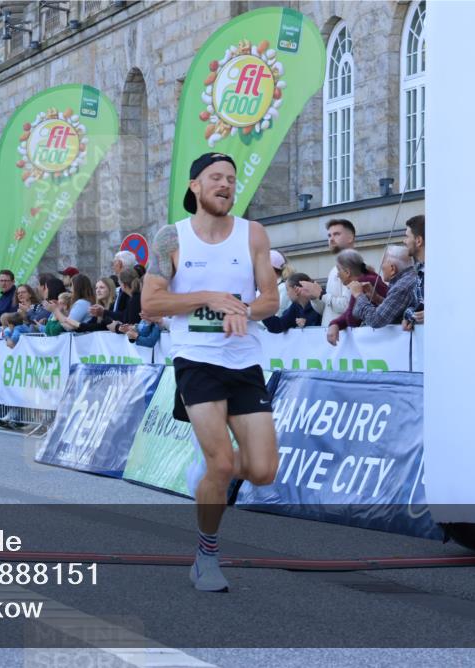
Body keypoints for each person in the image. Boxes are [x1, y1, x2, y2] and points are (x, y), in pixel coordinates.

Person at [142, 152, 280, 592]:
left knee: (262, 471)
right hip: (196, 359)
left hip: (243, 360)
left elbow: (271, 300)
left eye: (231, 179)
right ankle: (206, 556)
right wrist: (209, 297)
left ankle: (209, 478)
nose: (225, 185)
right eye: (215, 178)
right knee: (221, 460)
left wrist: (242, 309)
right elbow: (151, 304)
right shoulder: (171, 239)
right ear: (195, 186)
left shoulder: (252, 234)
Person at [326, 249, 388, 346]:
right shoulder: (367, 278)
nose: (337, 275)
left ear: (347, 272)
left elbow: (352, 320)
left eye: (339, 270)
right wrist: (335, 323)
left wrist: (336, 324)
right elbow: (351, 312)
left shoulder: (364, 281)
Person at [301, 219, 357, 326]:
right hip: (330, 334)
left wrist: (321, 295)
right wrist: (314, 297)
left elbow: (347, 306)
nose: (331, 239)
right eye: (329, 235)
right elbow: (326, 310)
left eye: (336, 234)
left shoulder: (354, 266)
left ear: (350, 238)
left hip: (344, 336)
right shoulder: (334, 270)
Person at [351, 245, 418, 329]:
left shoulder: (401, 286)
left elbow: (376, 320)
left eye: (382, 265)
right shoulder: (408, 278)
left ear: (392, 269)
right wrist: (377, 298)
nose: (381, 268)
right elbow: (396, 309)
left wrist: (358, 295)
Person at [402, 214, 425, 330]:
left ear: (418, 241)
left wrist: (435, 314)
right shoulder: (418, 269)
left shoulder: (442, 272)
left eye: (407, 237)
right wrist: (409, 315)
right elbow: (412, 307)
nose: (404, 241)